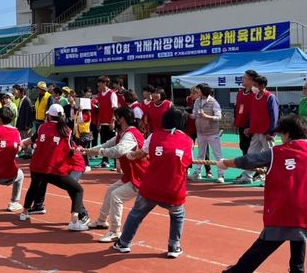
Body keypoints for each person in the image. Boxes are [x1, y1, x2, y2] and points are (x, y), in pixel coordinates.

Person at [218, 115, 307, 273]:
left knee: (269, 240)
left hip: (287, 208)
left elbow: (249, 160)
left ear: (287, 134)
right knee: (297, 235)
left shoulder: (278, 152)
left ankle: (238, 272)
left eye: (281, 134)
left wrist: (225, 163)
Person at [111, 107, 193, 258]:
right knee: (178, 215)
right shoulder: (188, 141)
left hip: (150, 187)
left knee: (136, 214)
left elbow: (141, 153)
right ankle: (174, 247)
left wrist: (130, 155)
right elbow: (186, 163)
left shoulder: (154, 136)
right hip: (173, 189)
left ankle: (123, 243)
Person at [20, 104, 89, 231]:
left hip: (36, 167)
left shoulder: (42, 127)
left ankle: (24, 213)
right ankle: (75, 221)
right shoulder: (66, 131)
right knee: (77, 190)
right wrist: (78, 150)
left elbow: (32, 140)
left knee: (33, 187)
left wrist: (22, 144)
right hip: (54, 169)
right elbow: (69, 150)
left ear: (48, 115)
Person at [85, 107, 146, 243]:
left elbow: (117, 151)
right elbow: (107, 145)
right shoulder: (122, 133)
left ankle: (115, 231)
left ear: (121, 119)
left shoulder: (130, 135)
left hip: (141, 177)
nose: (113, 120)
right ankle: (101, 221)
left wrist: (99, 152)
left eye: (115, 117)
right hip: (132, 175)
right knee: (111, 191)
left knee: (116, 196)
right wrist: (87, 150)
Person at [235, 75, 279, 184]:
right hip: (256, 131)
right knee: (251, 154)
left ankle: (272, 178)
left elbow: (274, 116)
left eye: (255, 85)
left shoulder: (270, 97)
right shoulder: (255, 97)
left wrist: (271, 132)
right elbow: (252, 114)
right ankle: (247, 176)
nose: (253, 87)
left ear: (262, 86)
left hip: (266, 133)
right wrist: (248, 126)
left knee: (270, 156)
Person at [190, 83, 224, 182]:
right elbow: (195, 115)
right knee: (200, 154)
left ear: (203, 91)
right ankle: (198, 173)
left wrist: (206, 117)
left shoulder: (213, 102)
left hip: (212, 133)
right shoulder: (197, 101)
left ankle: (221, 175)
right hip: (200, 132)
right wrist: (185, 114)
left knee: (217, 154)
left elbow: (219, 117)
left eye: (198, 90)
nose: (196, 91)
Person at [95, 75, 119, 167]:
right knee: (103, 143)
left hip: (110, 122)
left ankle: (115, 164)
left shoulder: (112, 93)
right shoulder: (100, 95)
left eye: (100, 83)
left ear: (105, 83)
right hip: (103, 122)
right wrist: (98, 122)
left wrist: (112, 121)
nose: (98, 85)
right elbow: (100, 109)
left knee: (112, 143)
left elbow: (115, 108)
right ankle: (105, 162)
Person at [234, 70, 258, 155]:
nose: (242, 79)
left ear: (251, 80)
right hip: (242, 125)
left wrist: (251, 126)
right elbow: (238, 109)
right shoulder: (240, 93)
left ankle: (255, 167)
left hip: (253, 127)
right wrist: (236, 123)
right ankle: (247, 167)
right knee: (243, 146)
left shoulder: (257, 93)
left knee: (253, 149)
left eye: (244, 77)